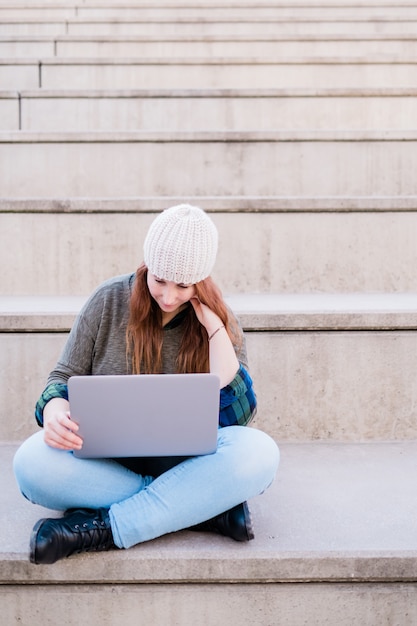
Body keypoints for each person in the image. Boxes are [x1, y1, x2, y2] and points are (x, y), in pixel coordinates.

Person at [13, 204, 280, 565]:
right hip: (107, 464)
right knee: (31, 464)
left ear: (200, 280)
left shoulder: (219, 319)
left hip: (185, 463)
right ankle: (198, 509)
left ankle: (105, 528)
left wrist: (215, 329)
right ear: (146, 265)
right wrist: (55, 410)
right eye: (159, 280)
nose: (169, 296)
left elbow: (240, 415)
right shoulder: (107, 300)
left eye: (183, 285)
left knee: (260, 453)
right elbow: (61, 379)